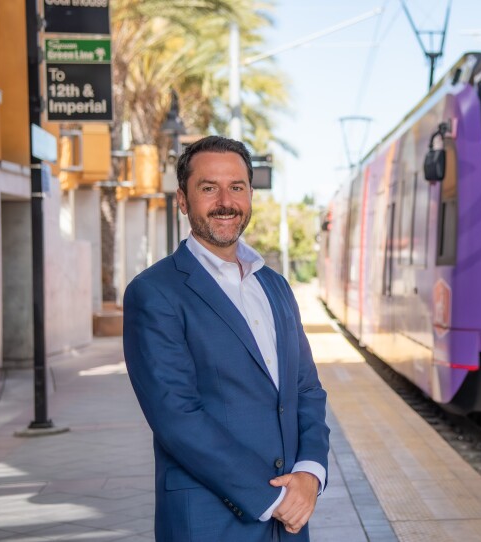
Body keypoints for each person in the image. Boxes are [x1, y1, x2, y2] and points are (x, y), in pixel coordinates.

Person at [123, 135, 330, 541]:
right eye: (208, 187)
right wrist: (272, 500)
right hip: (208, 521)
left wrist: (309, 472)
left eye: (236, 187)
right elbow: (176, 416)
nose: (225, 200)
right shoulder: (154, 291)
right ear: (183, 199)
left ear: (250, 195)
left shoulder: (275, 286)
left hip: (291, 523)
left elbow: (306, 389)